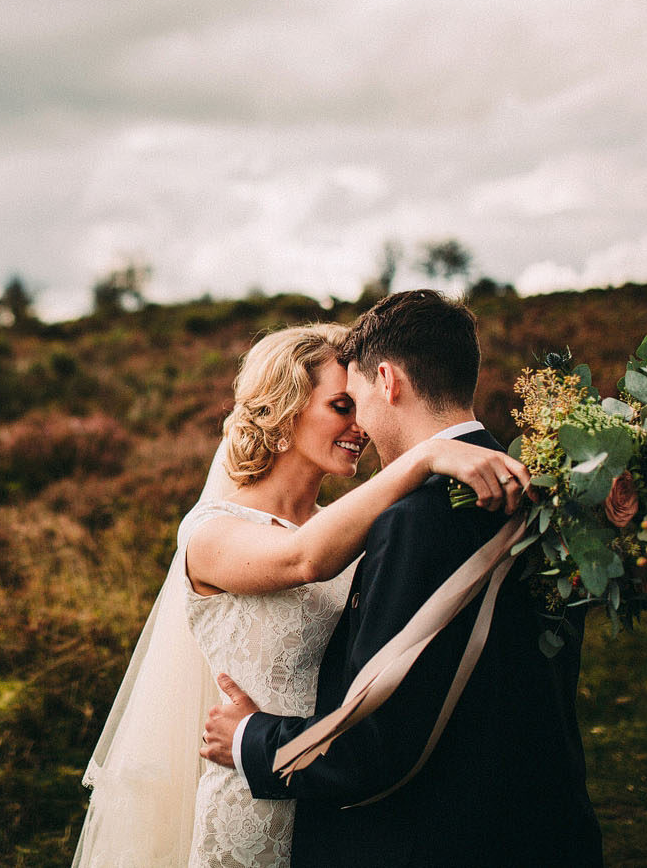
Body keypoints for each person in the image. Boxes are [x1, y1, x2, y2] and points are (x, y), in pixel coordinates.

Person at [74, 322, 530, 868]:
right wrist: (426, 457)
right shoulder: (211, 533)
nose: (360, 426)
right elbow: (304, 560)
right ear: (286, 409)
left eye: (359, 405)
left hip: (341, 794)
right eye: (341, 406)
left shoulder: (353, 527)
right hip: (252, 793)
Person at [200, 291, 604, 868]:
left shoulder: (413, 521)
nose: (360, 425)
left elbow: (379, 742)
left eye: (355, 399)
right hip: (548, 823)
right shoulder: (547, 492)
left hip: (435, 835)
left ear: (386, 381)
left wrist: (249, 738)